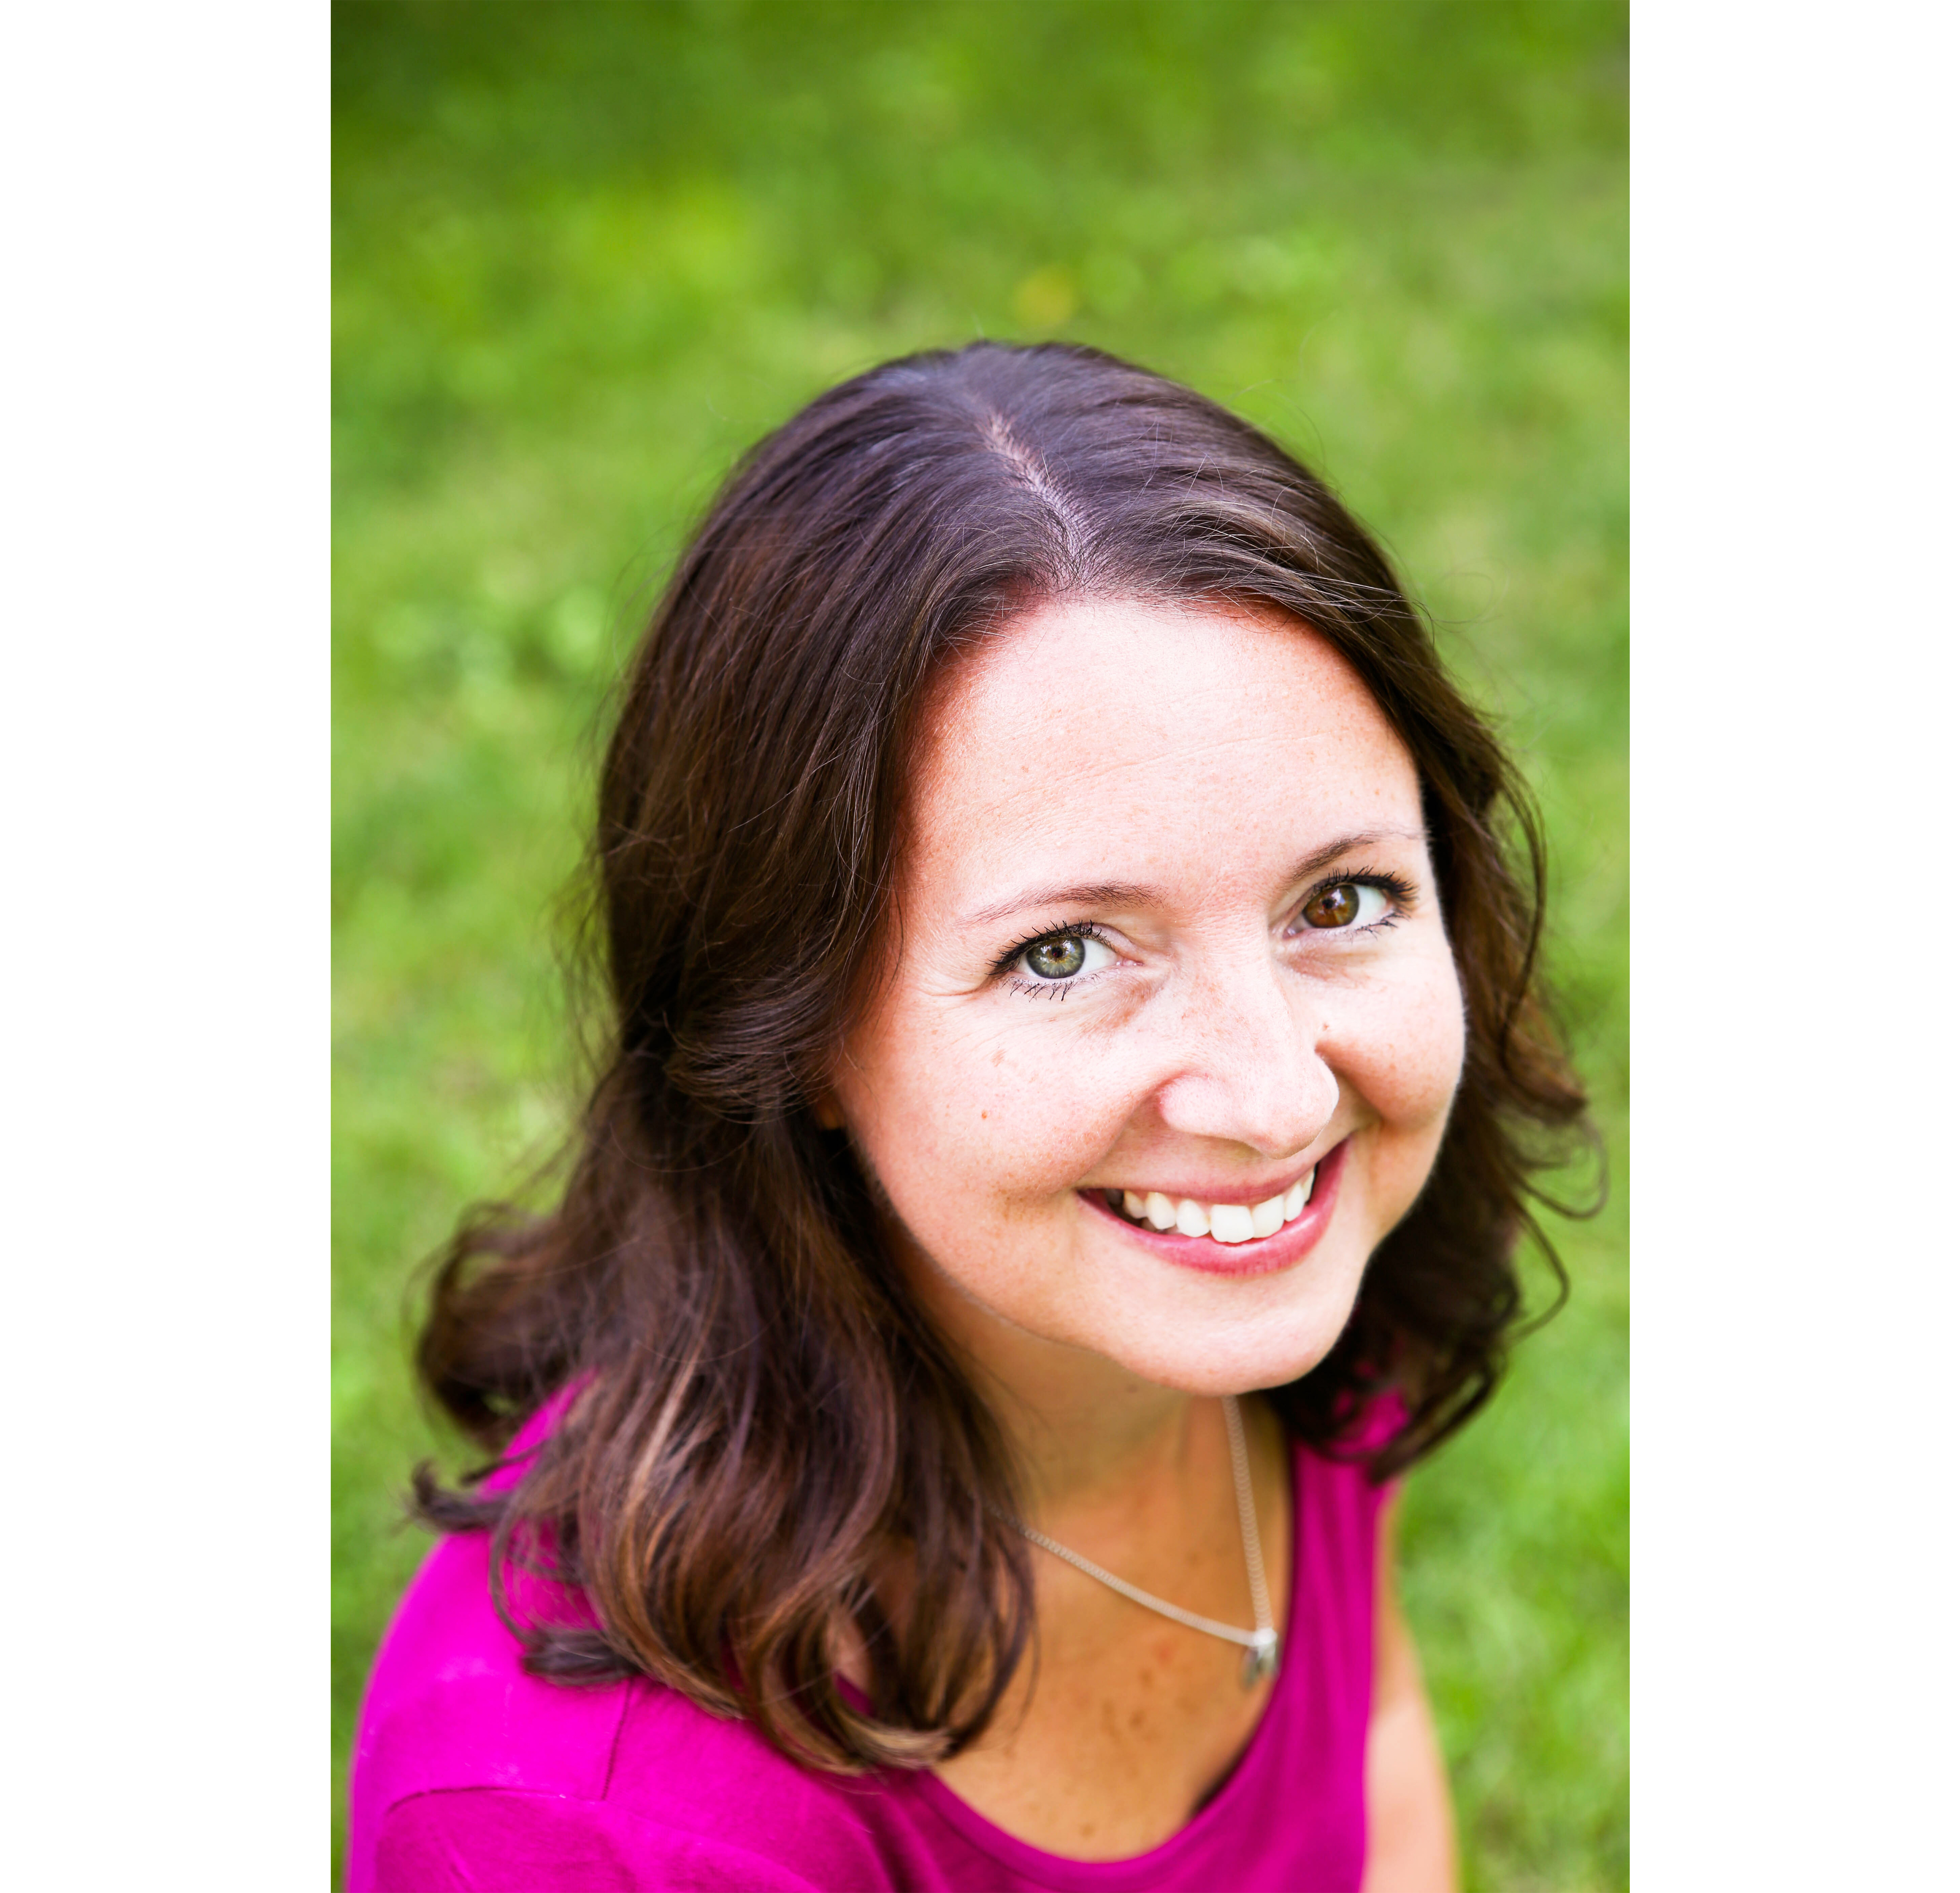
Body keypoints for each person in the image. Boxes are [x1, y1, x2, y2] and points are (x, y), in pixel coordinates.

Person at [348, 341, 1587, 1892]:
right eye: (1064, 952)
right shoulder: (594, 1826)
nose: (1278, 1098)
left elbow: (1379, 1769)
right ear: (789, 1022)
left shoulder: (1301, 1303)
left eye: (1341, 897)